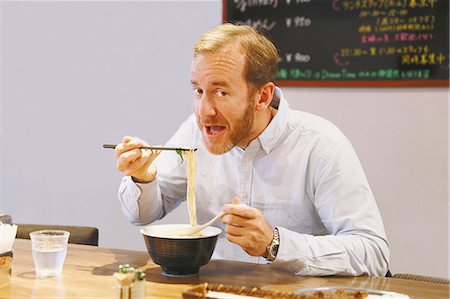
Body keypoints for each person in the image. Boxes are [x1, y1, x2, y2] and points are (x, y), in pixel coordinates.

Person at [114, 23, 389, 276]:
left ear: (263, 96)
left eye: (221, 92)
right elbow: (143, 215)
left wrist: (274, 243)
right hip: (212, 289)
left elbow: (373, 253)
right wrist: (143, 177)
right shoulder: (194, 132)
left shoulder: (320, 146)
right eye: (199, 91)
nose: (204, 111)